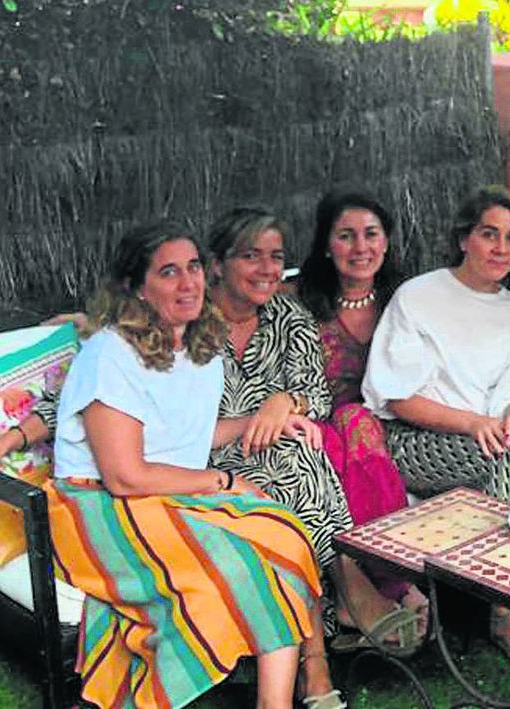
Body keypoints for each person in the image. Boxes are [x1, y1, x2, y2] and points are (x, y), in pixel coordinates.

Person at [41, 221, 327, 709]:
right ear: (137, 288)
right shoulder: (111, 352)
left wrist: (255, 422)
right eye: (169, 272)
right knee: (239, 568)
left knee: (285, 534)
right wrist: (227, 481)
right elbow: (124, 474)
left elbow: (187, 437)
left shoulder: (199, 350)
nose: (189, 283)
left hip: (168, 492)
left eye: (193, 267)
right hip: (99, 504)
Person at [363, 187, 510, 668]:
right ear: (464, 238)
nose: (502, 248)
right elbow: (398, 397)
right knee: (506, 457)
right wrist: (477, 423)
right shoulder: (419, 296)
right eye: (489, 234)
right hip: (417, 439)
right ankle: (506, 605)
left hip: (488, 433)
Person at [204, 207, 424, 657]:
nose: (267, 269)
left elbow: (315, 393)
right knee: (302, 455)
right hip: (212, 453)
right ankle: (350, 589)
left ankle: (343, 596)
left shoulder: (289, 316)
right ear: (216, 264)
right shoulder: (188, 324)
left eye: (275, 256)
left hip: (283, 445)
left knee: (305, 446)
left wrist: (285, 401)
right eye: (251, 256)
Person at [296, 191, 430, 643]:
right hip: (317, 427)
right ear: (326, 245)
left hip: (392, 425)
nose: (360, 247)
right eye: (346, 236)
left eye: (371, 234)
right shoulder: (297, 303)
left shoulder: (408, 300)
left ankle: (381, 586)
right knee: (347, 426)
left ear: (387, 242)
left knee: (358, 421)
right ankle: (393, 585)